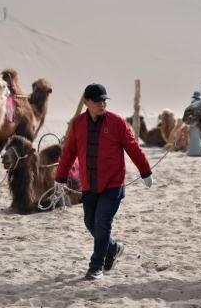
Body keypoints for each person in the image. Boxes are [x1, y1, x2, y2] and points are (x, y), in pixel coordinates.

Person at [56, 83, 153, 280]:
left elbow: (133, 148)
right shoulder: (77, 124)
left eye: (104, 101)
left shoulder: (117, 122)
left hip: (112, 185)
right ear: (87, 102)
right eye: (98, 101)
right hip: (90, 185)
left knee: (102, 223)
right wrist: (60, 177)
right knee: (89, 221)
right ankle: (113, 248)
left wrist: (145, 171)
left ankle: (96, 266)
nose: (102, 104)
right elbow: (68, 153)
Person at [186, 91, 201, 157]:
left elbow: (189, 114)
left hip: (193, 123)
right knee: (199, 137)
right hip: (198, 123)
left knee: (193, 138)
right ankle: (199, 151)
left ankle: (192, 152)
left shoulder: (192, 104)